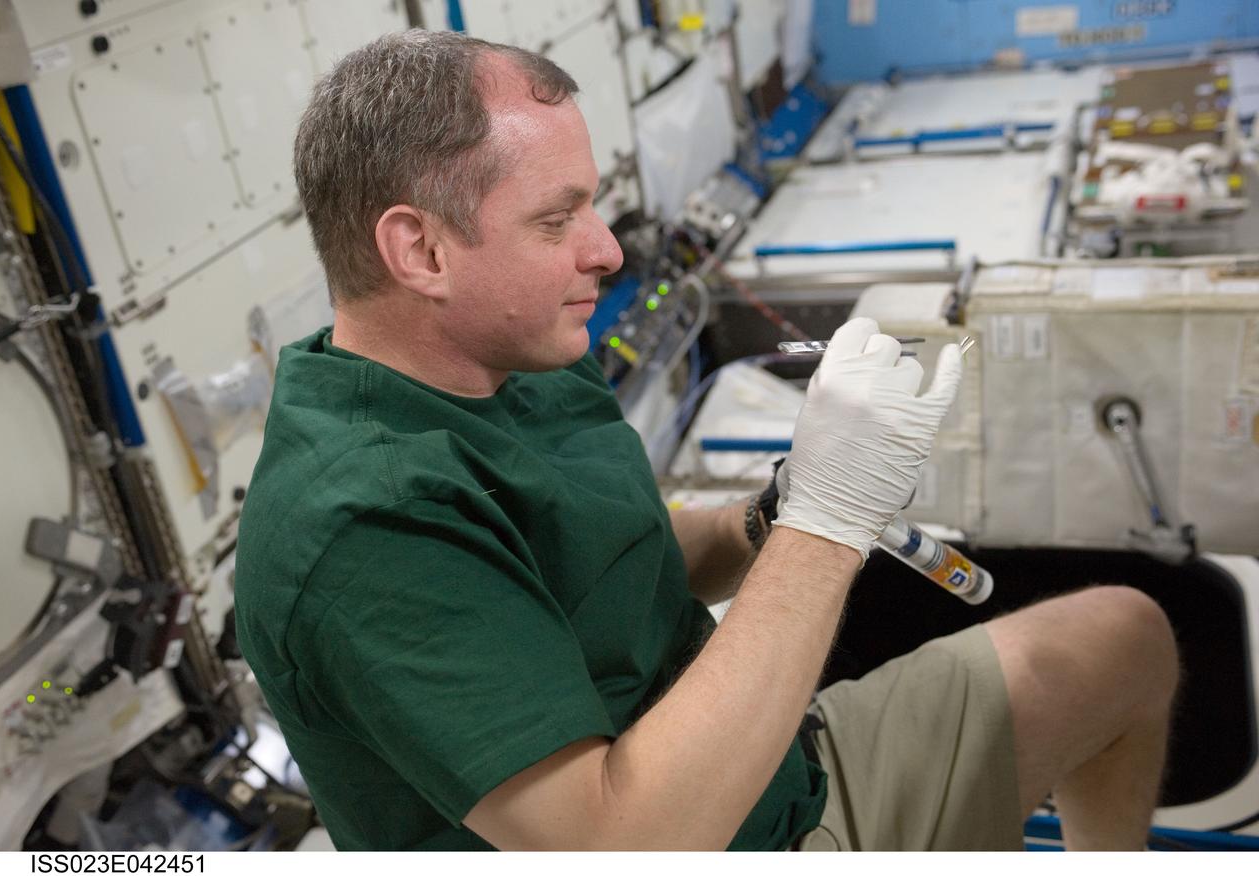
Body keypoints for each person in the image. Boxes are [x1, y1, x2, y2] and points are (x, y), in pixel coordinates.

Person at [233, 29, 1179, 851]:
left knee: (1121, 638)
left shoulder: (516, 354)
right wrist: (829, 520)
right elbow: (626, 841)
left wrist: (763, 520)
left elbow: (606, 562)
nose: (604, 249)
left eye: (591, 203)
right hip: (682, 829)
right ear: (422, 252)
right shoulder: (365, 525)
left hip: (771, 781)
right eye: (556, 219)